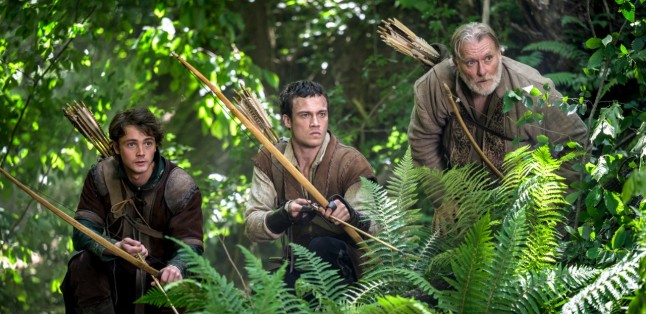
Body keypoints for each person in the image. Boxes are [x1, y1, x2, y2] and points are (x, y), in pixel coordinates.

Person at [61, 107, 204, 314]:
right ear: (116, 148)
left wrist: (176, 267)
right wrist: (114, 247)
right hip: (117, 282)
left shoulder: (179, 186)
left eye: (148, 143)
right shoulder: (101, 176)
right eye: (131, 144)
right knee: (82, 264)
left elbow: (191, 246)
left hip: (161, 281)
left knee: (196, 276)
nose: (141, 152)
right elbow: (82, 233)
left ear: (156, 146)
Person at [407, 22, 588, 182]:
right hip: (464, 199)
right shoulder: (434, 85)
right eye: (470, 62)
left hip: (524, 199)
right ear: (456, 63)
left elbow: (578, 141)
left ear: (500, 54)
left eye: (488, 58)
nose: (482, 71)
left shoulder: (532, 89)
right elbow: (422, 141)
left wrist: (554, 199)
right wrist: (444, 199)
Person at [244, 80, 377, 290]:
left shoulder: (351, 162)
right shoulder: (271, 159)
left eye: (321, 114)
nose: (315, 123)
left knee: (322, 246)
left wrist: (350, 215)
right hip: (299, 267)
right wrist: (285, 214)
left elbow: (377, 226)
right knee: (261, 291)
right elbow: (253, 226)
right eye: (305, 115)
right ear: (287, 121)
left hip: (352, 273)